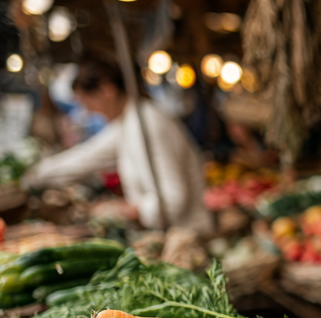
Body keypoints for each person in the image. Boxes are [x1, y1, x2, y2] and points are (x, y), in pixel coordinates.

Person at [24, 59, 212, 232]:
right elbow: (86, 157)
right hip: (166, 234)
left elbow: (171, 200)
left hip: (189, 237)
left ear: (107, 90)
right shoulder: (127, 122)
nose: (87, 111)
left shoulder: (146, 122)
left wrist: (123, 210)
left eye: (87, 101)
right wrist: (32, 176)